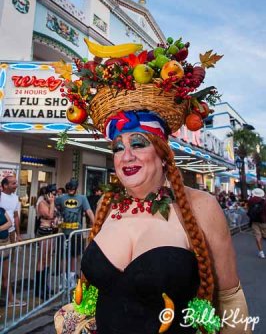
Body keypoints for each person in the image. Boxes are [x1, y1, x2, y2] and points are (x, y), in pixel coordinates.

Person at [55, 39, 251, 334]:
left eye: (138, 143)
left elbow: (230, 301)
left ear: (162, 153)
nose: (127, 155)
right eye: (118, 148)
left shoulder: (201, 206)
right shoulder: (106, 206)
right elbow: (94, 297)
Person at [55, 179, 94, 286]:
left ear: (75, 189)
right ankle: (63, 279)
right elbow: (55, 209)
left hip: (76, 232)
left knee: (74, 256)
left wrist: (95, 223)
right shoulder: (61, 198)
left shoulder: (82, 198)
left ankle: (71, 278)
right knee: (63, 256)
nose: (70, 191)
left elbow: (88, 211)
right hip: (63, 232)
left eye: (72, 189)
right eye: (69, 189)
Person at [35, 184, 58, 299]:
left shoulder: (50, 203)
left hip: (51, 232)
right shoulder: (42, 203)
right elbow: (49, 215)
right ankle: (39, 288)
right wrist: (52, 202)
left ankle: (45, 285)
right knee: (42, 259)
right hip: (44, 232)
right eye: (52, 194)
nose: (54, 196)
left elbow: (54, 217)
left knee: (48, 258)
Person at [0, 175, 22, 243]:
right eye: (13, 183)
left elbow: (16, 216)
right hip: (1, 232)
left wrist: (18, 234)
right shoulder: (0, 196)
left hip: (11, 231)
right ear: (5, 185)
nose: (16, 185)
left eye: (16, 183)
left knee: (12, 251)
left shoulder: (15, 197)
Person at [247, 188, 266, 258]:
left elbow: (248, 209)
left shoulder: (250, 200)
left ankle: (261, 253)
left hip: (254, 221)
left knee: (258, 237)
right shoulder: (264, 201)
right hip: (264, 221)